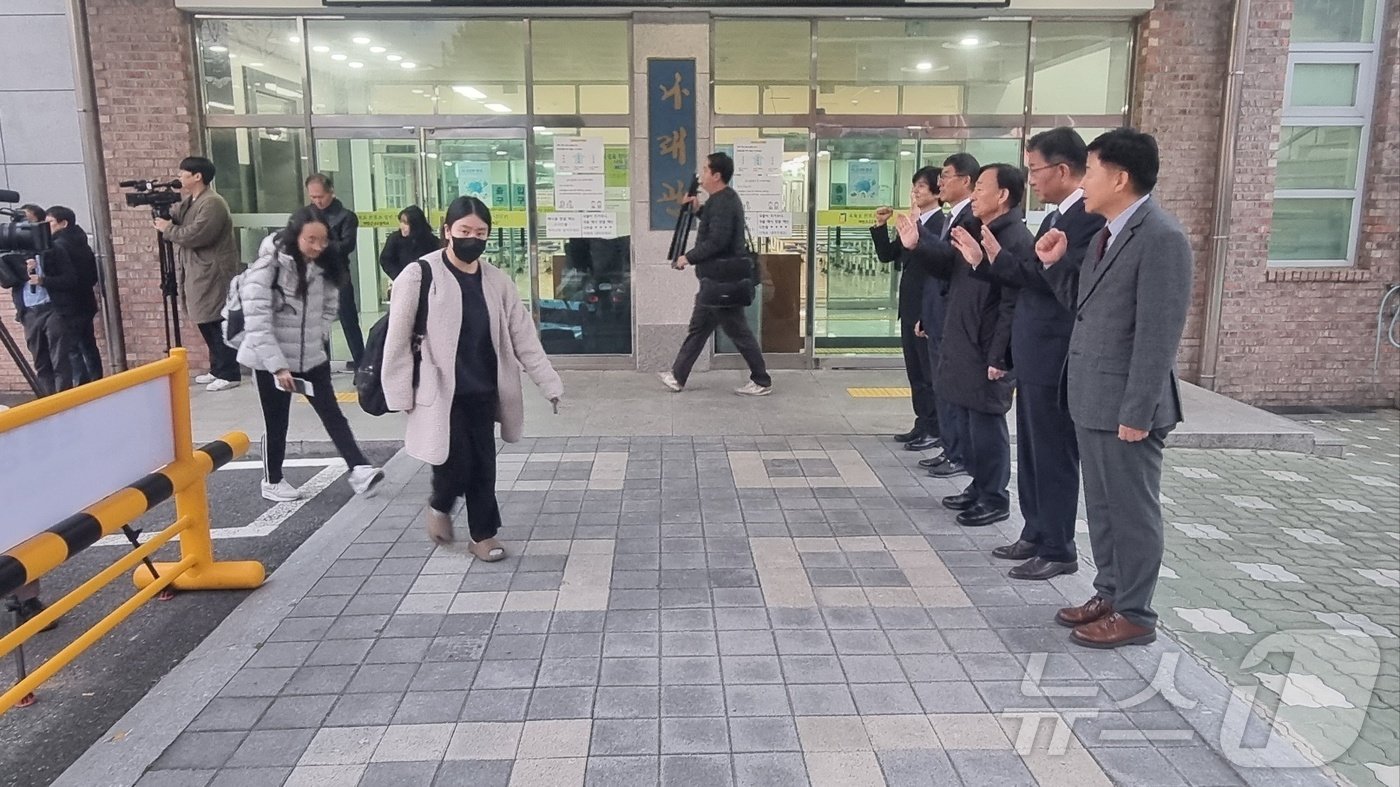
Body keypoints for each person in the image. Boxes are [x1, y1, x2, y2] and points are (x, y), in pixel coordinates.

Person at [1040, 128, 1193, 649]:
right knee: (1102, 506)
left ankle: (1135, 613)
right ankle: (1108, 591)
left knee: (1132, 509)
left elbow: (1158, 335)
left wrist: (1138, 409)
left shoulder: (1160, 237)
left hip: (1127, 406)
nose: (1083, 183)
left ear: (1120, 177)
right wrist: (1056, 263)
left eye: (1092, 171)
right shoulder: (1108, 234)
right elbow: (1085, 311)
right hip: (1091, 397)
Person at [382, 196, 562, 561]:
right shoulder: (420, 274)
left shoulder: (496, 280)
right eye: (464, 231)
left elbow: (522, 335)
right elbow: (397, 339)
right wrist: (399, 392)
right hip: (440, 392)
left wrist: (550, 383)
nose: (472, 239)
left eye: (480, 233)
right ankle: (439, 503)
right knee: (454, 461)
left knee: (483, 464)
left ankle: (483, 535)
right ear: (447, 231)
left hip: (483, 389)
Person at [967, 129, 1106, 582]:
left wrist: (996, 262)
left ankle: (1059, 546)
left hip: (1056, 355)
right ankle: (1035, 530)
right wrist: (990, 261)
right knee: (1030, 450)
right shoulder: (1054, 218)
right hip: (1033, 352)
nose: (1034, 179)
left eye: (1035, 169)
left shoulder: (1087, 221)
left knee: (1053, 454)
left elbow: (1058, 283)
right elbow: (1030, 274)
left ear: (1063, 170)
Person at [907, 164, 1027, 529]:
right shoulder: (979, 229)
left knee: (988, 424)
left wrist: (1000, 355)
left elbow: (1012, 303)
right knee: (971, 422)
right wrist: (919, 243)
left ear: (1003, 195)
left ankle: (994, 497)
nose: (974, 195)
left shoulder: (1015, 238)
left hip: (986, 349)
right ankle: (979, 486)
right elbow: (949, 270)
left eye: (981, 189)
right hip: (964, 341)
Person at [237, 207, 384, 503]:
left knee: (332, 413)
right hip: (271, 361)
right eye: (311, 240)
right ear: (295, 235)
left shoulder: (325, 266)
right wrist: (278, 367)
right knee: (277, 421)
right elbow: (257, 323)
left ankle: (358, 468)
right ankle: (272, 480)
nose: (318, 246)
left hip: (311, 357)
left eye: (323, 240)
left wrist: (320, 338)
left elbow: (330, 305)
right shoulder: (269, 267)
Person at [660, 152, 772, 396]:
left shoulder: (724, 201)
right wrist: (699, 209)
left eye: (705, 169)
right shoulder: (720, 199)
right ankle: (677, 376)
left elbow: (717, 241)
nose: (701, 175)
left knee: (738, 332)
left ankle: (761, 380)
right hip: (716, 281)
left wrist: (687, 257)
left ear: (717, 175)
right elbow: (716, 225)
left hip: (723, 282)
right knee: (699, 328)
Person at [908, 153, 980, 481]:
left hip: (955, 320)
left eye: (947, 176)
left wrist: (919, 241)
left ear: (966, 181)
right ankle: (950, 448)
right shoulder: (955, 216)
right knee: (940, 385)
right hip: (938, 314)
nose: (941, 183)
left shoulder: (970, 220)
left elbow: (949, 268)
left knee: (950, 389)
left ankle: (957, 452)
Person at [155, 156, 241, 392]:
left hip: (212, 271)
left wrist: (168, 229)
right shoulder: (192, 201)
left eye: (183, 174)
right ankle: (217, 368)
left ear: (197, 176)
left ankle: (229, 372)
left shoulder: (212, 203)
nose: (180, 177)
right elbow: (177, 218)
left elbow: (197, 234)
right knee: (205, 320)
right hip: (197, 269)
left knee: (215, 320)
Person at [872, 167, 942, 452]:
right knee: (915, 371)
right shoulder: (914, 222)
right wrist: (880, 225)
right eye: (914, 186)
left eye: (922, 186)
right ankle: (922, 422)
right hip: (909, 308)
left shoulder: (939, 224)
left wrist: (928, 314)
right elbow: (888, 255)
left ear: (938, 191)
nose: (915, 191)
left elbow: (937, 273)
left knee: (928, 372)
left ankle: (935, 428)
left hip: (925, 310)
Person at [306, 174, 364, 373]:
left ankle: (361, 365)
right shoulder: (306, 215)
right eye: (313, 197)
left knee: (348, 320)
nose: (317, 201)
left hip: (338, 273)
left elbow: (347, 246)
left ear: (331, 192)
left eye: (320, 196)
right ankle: (320, 363)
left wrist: (320, 244)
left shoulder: (345, 216)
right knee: (314, 320)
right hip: (312, 273)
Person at [46, 206, 104, 386]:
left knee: (73, 350)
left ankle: (81, 387)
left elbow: (67, 278)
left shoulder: (58, 246)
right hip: (85, 301)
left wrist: (43, 280)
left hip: (68, 304)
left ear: (63, 223)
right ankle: (97, 382)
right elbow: (92, 275)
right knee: (87, 345)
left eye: (50, 223)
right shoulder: (80, 242)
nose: (46, 227)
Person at [378, 205, 439, 282]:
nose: (402, 226)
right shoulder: (395, 239)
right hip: (403, 283)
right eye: (401, 222)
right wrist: (400, 277)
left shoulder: (431, 241)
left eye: (406, 223)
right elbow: (386, 260)